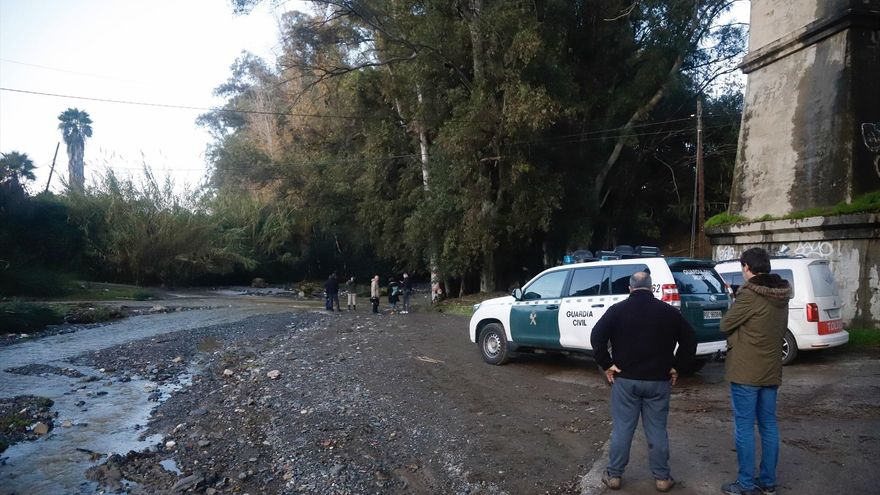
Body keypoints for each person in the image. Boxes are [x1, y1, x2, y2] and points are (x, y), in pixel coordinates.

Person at [591, 271, 696, 493]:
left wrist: (607, 364)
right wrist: (678, 366)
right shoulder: (668, 312)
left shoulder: (617, 310)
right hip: (659, 381)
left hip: (625, 381)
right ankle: (662, 479)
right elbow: (690, 339)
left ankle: (614, 476)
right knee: (657, 430)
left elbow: (597, 336)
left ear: (630, 288)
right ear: (652, 288)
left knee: (622, 429)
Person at [719, 248, 791, 495]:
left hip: (746, 371)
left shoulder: (749, 295)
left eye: (743, 268)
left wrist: (736, 298)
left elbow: (725, 324)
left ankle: (746, 483)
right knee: (769, 425)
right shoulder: (782, 294)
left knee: (745, 426)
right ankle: (768, 482)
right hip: (771, 369)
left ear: (747, 267)